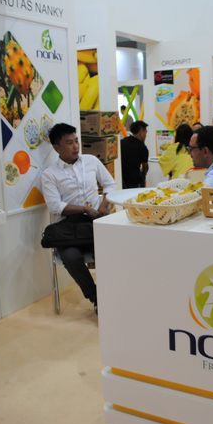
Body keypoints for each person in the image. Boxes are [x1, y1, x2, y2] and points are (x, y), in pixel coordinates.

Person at [41, 123, 116, 313]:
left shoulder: (91, 161)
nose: (75, 146)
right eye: (69, 143)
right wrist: (84, 209)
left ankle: (114, 293)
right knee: (70, 257)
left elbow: (110, 184)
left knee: (114, 250)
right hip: (69, 230)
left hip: (95, 224)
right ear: (57, 148)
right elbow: (55, 206)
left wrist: (103, 204)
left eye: (76, 141)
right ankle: (97, 298)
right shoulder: (49, 174)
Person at [120, 120, 149, 188]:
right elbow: (145, 167)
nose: (145, 135)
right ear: (141, 132)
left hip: (121, 181)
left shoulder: (122, 142)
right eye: (145, 132)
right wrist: (143, 177)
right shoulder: (142, 147)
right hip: (134, 182)